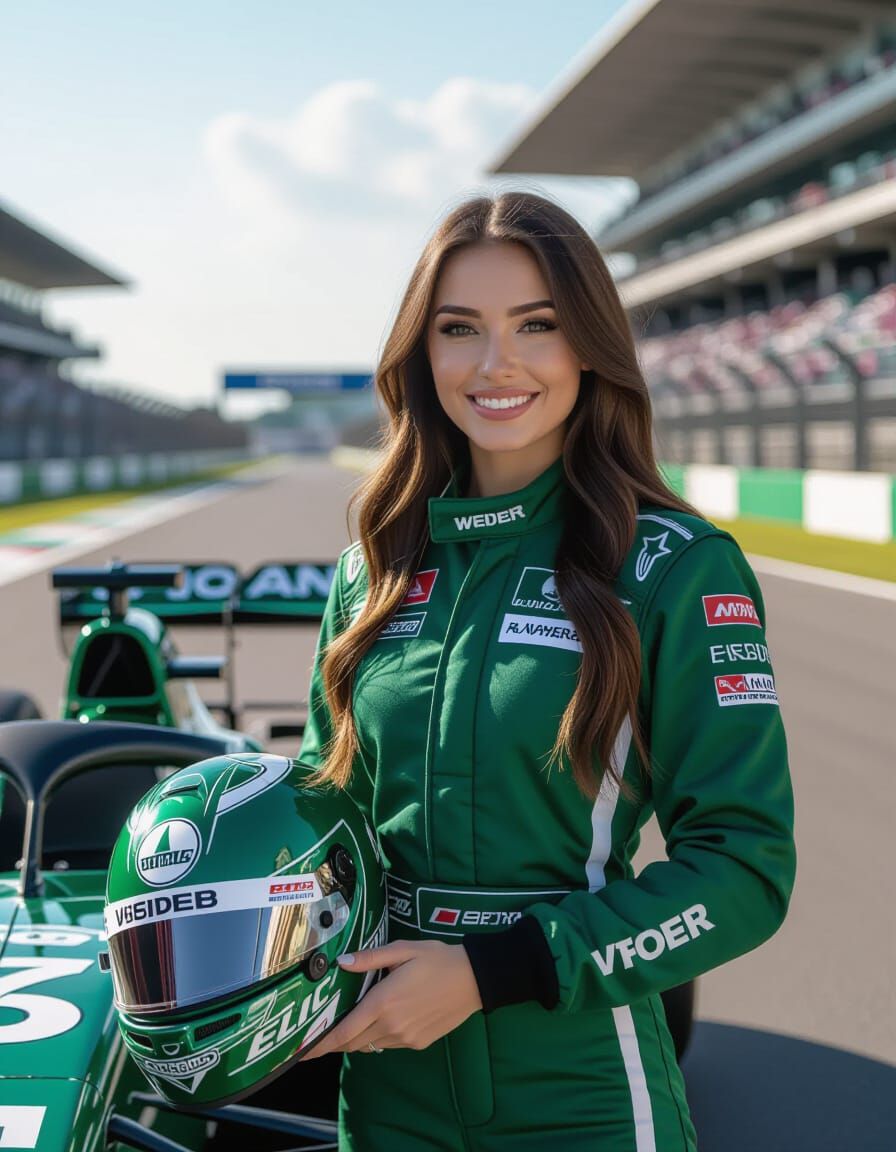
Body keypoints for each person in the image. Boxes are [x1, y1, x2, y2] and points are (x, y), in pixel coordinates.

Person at [297, 191, 796, 1151]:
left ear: (590, 345)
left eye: (539, 325)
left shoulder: (675, 567)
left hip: (579, 1084)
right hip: (385, 1080)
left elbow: (744, 869)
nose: (497, 364)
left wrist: (494, 972)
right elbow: (330, 828)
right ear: (421, 352)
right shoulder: (373, 567)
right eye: (460, 329)